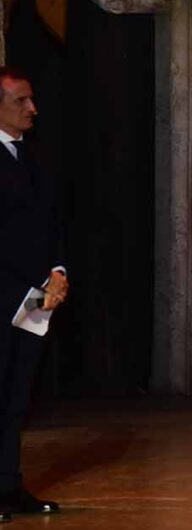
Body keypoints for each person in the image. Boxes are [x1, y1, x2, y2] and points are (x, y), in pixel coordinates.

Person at [0, 67, 66, 522]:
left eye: (32, 99)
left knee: (18, 396)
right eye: (21, 100)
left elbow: (53, 222)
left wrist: (58, 274)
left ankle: (8, 486)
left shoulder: (37, 157)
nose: (32, 108)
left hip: (34, 299)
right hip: (3, 295)